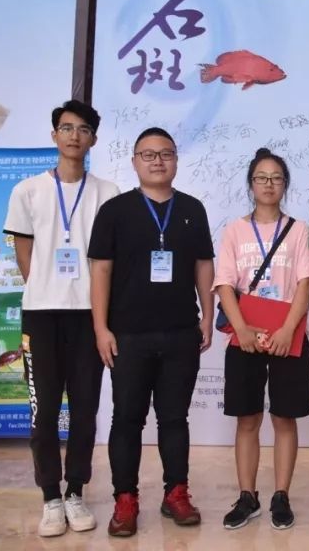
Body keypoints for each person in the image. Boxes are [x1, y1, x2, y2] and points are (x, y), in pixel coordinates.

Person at [88, 127, 216, 537]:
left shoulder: (192, 208)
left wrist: (208, 316)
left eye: (166, 153)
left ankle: (176, 493)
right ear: (134, 161)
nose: (157, 161)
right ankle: (125, 499)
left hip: (181, 332)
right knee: (127, 419)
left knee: (175, 419)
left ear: (176, 159)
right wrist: (101, 328)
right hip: (128, 335)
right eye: (149, 154)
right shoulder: (115, 211)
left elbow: (203, 264)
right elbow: (100, 270)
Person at [3, 100, 119, 537]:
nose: (74, 136)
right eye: (66, 128)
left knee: (86, 410)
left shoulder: (107, 193)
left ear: (93, 139)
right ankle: (50, 496)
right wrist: (44, 288)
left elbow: (110, 259)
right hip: (41, 316)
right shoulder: (28, 190)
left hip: (89, 315)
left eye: (83, 129)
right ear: (54, 135)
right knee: (44, 411)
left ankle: (75, 491)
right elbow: (24, 251)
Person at [214, 148, 309, 531]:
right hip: (246, 335)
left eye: (276, 178)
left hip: (288, 334)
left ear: (285, 184)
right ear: (251, 184)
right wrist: (241, 329)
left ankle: (281, 496)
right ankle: (247, 496)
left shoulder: (299, 229)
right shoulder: (235, 230)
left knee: (284, 417)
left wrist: (288, 329)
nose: (269, 184)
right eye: (261, 178)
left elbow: (305, 283)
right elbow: (224, 284)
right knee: (248, 418)